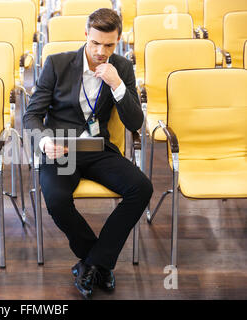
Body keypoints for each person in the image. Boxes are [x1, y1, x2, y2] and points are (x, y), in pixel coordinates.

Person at [23, 8, 153, 299]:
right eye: (95, 43)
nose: (101, 51)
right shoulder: (57, 64)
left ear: (118, 41)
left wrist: (117, 84)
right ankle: (100, 262)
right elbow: (31, 116)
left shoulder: (122, 67)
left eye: (109, 45)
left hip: (97, 148)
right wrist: (44, 142)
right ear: (86, 36)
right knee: (56, 199)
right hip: (61, 149)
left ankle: (91, 264)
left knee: (141, 188)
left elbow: (135, 123)